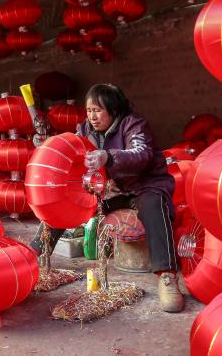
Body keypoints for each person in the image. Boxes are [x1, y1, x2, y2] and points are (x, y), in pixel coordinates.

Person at [30, 83, 184, 312]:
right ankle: (33, 256)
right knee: (63, 202)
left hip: (144, 185)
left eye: (98, 110)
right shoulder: (85, 130)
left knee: (154, 205)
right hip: (111, 190)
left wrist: (108, 157)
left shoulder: (134, 124)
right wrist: (48, 147)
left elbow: (141, 154)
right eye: (89, 110)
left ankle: (167, 277)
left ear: (113, 108)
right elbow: (71, 149)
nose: (92, 116)